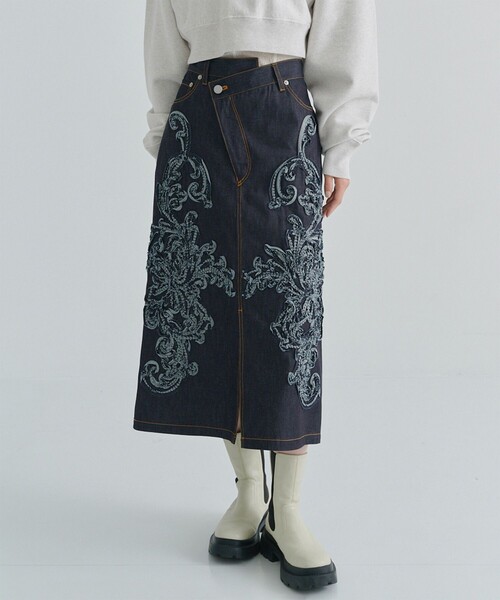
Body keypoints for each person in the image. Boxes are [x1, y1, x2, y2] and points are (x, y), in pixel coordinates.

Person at [133, 0, 379, 590]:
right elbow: (164, 45)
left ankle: (286, 509)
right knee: (212, 305)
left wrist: (341, 145)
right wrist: (167, 138)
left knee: (287, 310)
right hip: (197, 114)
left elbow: (346, 29)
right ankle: (250, 492)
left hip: (283, 106)